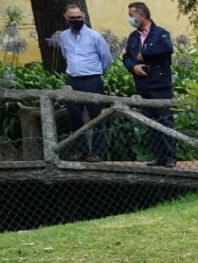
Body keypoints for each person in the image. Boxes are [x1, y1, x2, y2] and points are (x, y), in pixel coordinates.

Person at [49, 4, 113, 163]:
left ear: (84, 17)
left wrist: (96, 71)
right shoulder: (64, 36)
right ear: (66, 18)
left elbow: (106, 58)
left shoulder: (94, 36)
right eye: (72, 18)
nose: (75, 20)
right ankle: (81, 151)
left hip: (92, 79)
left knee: (97, 118)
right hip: (72, 80)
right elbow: (65, 55)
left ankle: (97, 153)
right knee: (74, 117)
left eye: (78, 17)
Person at [123, 3, 176, 167]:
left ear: (142, 15)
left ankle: (170, 157)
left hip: (160, 86)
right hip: (143, 86)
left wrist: (144, 53)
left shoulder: (160, 34)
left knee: (165, 121)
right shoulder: (133, 37)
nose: (129, 18)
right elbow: (126, 57)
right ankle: (157, 156)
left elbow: (168, 48)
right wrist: (133, 67)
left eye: (131, 15)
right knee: (150, 122)